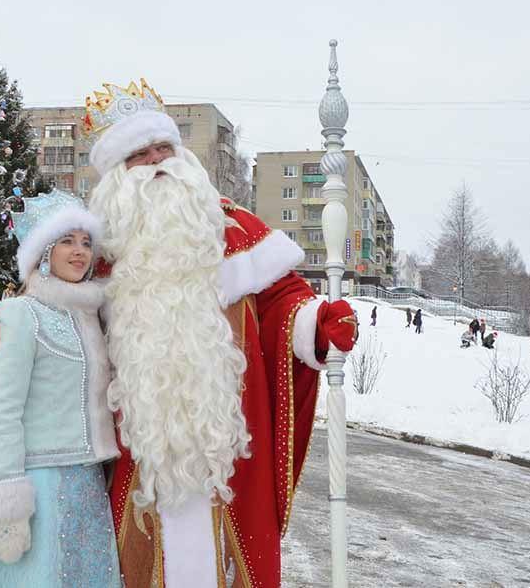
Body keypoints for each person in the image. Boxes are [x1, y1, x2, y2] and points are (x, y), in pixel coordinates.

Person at [82, 80, 356, 587]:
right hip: (136, 456)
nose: (159, 162)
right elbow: (53, 317)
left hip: (229, 453)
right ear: (118, 174)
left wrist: (316, 325)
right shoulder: (98, 252)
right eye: (141, 155)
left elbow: (282, 302)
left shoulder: (235, 230)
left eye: (165, 147)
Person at [0, 191, 121, 587]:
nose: (79, 252)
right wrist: (7, 498)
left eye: (86, 242)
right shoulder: (20, 314)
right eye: (67, 241)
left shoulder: (90, 318)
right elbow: (1, 410)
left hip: (86, 485)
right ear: (43, 252)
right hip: (35, 485)